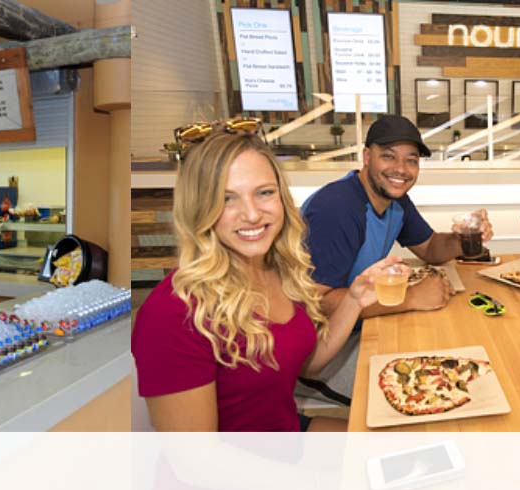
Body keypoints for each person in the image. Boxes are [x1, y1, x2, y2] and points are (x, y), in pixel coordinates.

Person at [131, 129, 399, 431]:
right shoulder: (172, 313)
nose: (252, 214)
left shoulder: (280, 269)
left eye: (264, 192)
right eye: (227, 198)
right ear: (199, 208)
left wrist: (354, 299)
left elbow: (305, 363)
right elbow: (195, 462)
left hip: (285, 434)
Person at [299, 114, 494, 404]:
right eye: (388, 156)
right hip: (316, 351)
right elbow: (319, 303)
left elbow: (430, 249)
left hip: (359, 326)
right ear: (366, 156)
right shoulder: (337, 208)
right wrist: (411, 297)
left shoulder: (394, 199)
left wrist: (465, 239)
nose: (400, 169)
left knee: (463, 355)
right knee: (438, 393)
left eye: (411, 160)